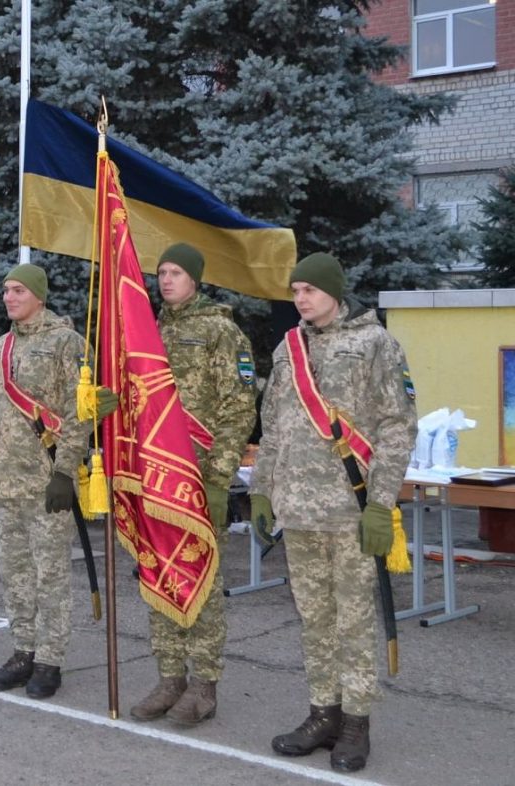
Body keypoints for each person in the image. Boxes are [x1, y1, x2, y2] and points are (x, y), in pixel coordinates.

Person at [248, 252, 417, 772]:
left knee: (352, 621)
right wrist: (261, 490)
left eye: (310, 290)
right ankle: (323, 712)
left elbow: (397, 425)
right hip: (298, 510)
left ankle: (356, 724)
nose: (301, 298)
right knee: (314, 620)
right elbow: (272, 425)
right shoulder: (288, 348)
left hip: (352, 508)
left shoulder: (374, 344)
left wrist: (381, 503)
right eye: (296, 289)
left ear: (335, 293)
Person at [129, 243, 257, 725]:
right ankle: (169, 677)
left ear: (196, 279)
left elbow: (239, 407)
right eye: (161, 272)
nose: (166, 280)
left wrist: (221, 475)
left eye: (176, 272)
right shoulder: (150, 332)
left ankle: (203, 686)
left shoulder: (221, 332)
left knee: (200, 577)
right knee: (155, 574)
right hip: (151, 476)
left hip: (196, 477)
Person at [0, 264, 92, 699]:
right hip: (6, 479)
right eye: (5, 290)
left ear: (38, 296)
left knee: (50, 574)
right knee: (15, 572)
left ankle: (49, 659)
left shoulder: (66, 343)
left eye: (18, 290)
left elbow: (77, 411)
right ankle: (23, 649)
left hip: (46, 482)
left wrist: (65, 471)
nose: (8, 297)